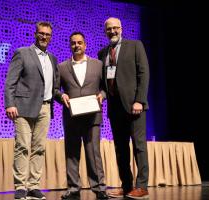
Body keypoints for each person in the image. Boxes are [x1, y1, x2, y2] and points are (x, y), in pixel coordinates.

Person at [98, 17, 150, 199]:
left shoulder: (135, 45)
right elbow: (104, 83)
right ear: (105, 31)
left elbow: (144, 74)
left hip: (134, 106)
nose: (112, 31)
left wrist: (140, 101)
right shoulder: (102, 53)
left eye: (115, 28)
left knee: (139, 147)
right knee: (121, 149)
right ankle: (126, 185)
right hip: (115, 108)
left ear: (121, 28)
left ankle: (142, 186)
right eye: (109, 29)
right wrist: (101, 95)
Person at [4, 21, 57, 200]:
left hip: (45, 108)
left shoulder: (52, 58)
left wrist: (61, 96)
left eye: (47, 34)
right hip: (23, 108)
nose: (44, 37)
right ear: (35, 34)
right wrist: (9, 104)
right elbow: (10, 81)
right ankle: (20, 186)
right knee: (23, 147)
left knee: (39, 148)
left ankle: (33, 185)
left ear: (51, 37)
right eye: (41, 33)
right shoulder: (23, 53)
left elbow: (52, 86)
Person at [55, 32, 108, 200]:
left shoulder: (98, 65)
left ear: (85, 45)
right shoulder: (61, 67)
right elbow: (55, 89)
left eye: (80, 42)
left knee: (93, 152)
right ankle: (73, 187)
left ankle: (99, 188)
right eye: (73, 43)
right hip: (71, 116)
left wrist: (103, 95)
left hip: (92, 116)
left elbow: (106, 87)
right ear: (70, 45)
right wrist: (60, 96)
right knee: (71, 152)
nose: (76, 45)